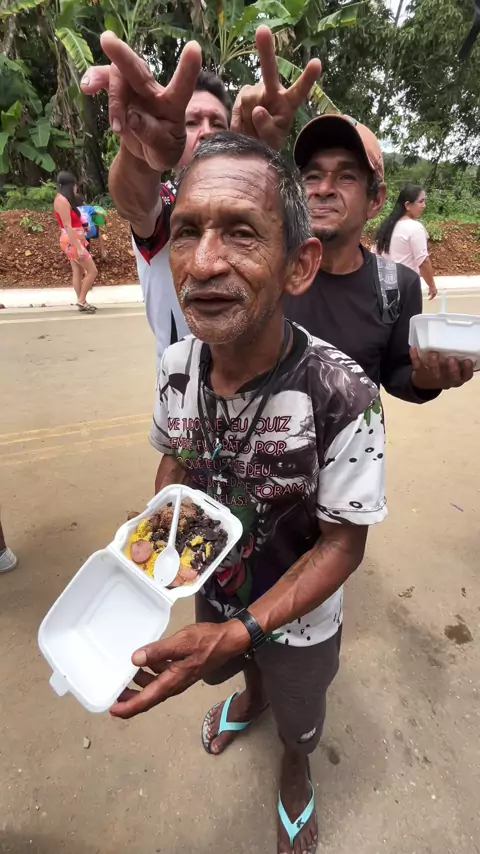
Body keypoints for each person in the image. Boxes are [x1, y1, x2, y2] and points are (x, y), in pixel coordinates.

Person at [109, 132, 388, 854]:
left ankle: (295, 768)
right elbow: (175, 459)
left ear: (299, 265)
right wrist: (148, 557)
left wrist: (240, 631)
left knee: (299, 713)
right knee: (239, 672)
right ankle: (251, 695)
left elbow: (343, 545)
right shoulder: (176, 365)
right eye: (187, 231)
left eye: (240, 232)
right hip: (216, 587)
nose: (204, 263)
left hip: (301, 618)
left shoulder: (344, 395)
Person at [80, 28, 321, 369]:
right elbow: (134, 200)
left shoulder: (276, 205)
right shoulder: (169, 205)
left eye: (217, 123)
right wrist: (138, 152)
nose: (206, 132)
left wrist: (256, 155)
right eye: (190, 122)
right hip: (182, 393)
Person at [284, 115, 473, 396]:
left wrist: (426, 378)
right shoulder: (269, 272)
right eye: (312, 176)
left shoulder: (397, 287)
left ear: (375, 200)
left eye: (346, 177)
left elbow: (397, 374)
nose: (323, 189)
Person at [375, 183, 437, 300]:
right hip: (406, 288)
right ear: (408, 205)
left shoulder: (386, 227)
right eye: (421, 201)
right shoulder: (415, 228)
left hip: (384, 288)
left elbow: (375, 257)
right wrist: (432, 286)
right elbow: (423, 262)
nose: (424, 205)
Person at [53, 172, 98, 313]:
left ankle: (81, 300)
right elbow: (67, 226)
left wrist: (83, 231)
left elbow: (74, 221)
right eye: (75, 185)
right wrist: (78, 247)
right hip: (72, 241)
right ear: (71, 185)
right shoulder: (62, 201)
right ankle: (81, 300)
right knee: (92, 271)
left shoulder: (65, 200)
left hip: (75, 239)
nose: (76, 188)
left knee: (78, 271)